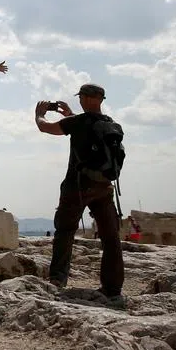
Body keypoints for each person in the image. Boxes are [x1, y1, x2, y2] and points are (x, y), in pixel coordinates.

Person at [34, 84, 124, 302]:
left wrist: (39, 114)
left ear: (84, 98)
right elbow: (89, 129)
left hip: (77, 186)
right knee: (111, 238)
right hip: (104, 188)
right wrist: (70, 115)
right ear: (101, 100)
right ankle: (112, 289)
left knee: (65, 231)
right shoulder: (112, 125)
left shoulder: (78, 123)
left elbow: (46, 128)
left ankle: (57, 280)